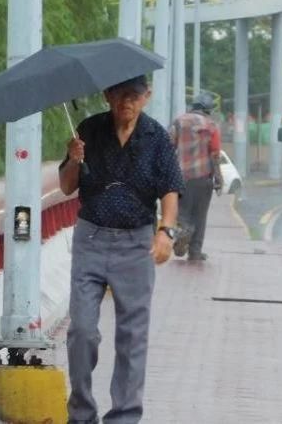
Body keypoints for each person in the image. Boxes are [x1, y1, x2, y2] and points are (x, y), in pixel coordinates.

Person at [58, 75, 184, 424]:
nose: (125, 102)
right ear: (107, 95)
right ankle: (82, 412)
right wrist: (72, 159)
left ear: (147, 97)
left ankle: (125, 416)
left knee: (132, 335)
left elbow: (170, 189)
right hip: (92, 239)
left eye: (134, 95)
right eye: (118, 94)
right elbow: (67, 187)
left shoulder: (156, 137)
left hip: (136, 243)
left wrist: (166, 232)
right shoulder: (89, 129)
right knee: (81, 330)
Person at [169, 92, 223, 261]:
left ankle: (184, 229)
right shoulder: (211, 125)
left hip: (182, 176)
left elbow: (169, 147)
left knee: (183, 212)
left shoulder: (179, 122)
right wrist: (218, 177)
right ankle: (195, 252)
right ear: (208, 110)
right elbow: (215, 154)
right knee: (200, 215)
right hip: (203, 177)